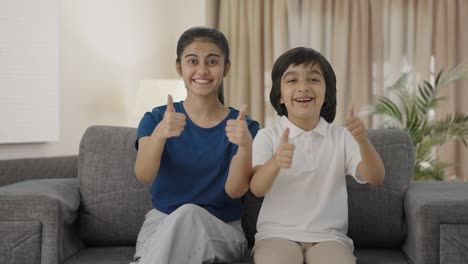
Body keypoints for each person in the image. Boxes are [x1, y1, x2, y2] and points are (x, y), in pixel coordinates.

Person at [132, 27, 260, 264]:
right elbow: (144, 175)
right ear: (180, 66)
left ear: (226, 68)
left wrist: (244, 146)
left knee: (189, 213)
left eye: (212, 61)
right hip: (161, 224)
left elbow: (236, 191)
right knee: (182, 222)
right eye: (193, 61)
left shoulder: (245, 128)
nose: (202, 70)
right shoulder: (155, 119)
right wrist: (160, 135)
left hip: (222, 230)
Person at [250, 47, 385, 264]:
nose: (303, 87)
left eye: (313, 79)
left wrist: (363, 141)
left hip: (328, 237)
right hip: (276, 235)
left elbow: (376, 177)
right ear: (280, 96)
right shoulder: (267, 136)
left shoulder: (342, 137)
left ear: (327, 94)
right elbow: (256, 188)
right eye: (292, 81)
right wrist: (276, 161)